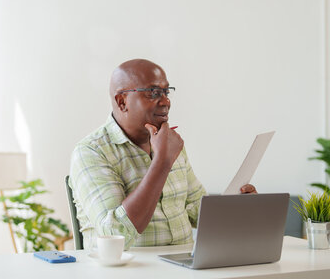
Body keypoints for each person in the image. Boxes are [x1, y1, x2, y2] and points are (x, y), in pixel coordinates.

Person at [69, 59, 256, 248]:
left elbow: (195, 210)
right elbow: (116, 233)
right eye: (153, 93)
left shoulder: (171, 143)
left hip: (183, 267)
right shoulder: (91, 152)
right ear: (122, 101)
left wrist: (236, 208)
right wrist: (162, 162)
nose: (166, 101)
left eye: (166, 92)